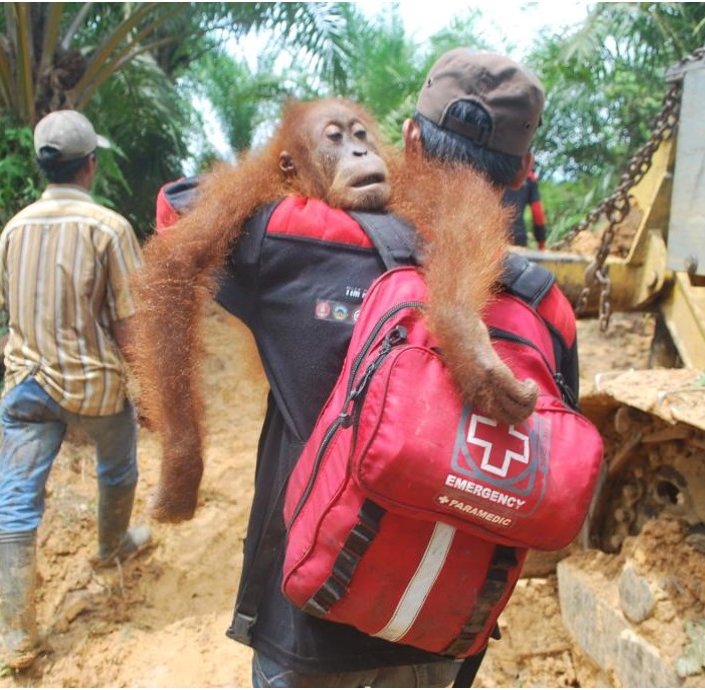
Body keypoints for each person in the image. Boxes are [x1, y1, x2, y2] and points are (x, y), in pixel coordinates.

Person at [156, 49, 578, 688]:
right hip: (446, 631)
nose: (356, 154)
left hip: (309, 626)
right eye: (338, 141)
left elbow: (175, 216)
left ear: (407, 139)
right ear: (525, 170)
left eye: (361, 138)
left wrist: (275, 180)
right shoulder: (547, 307)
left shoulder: (295, 238)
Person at [0, 109, 151, 670]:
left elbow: (6, 309)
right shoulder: (109, 228)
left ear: (44, 166)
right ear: (91, 167)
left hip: (27, 389)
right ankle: (112, 547)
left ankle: (16, 634)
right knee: (118, 462)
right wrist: (148, 393)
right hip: (93, 388)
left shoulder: (13, 229)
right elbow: (129, 323)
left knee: (15, 502)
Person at [502, 165, 548, 248]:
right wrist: (541, 242)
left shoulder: (495, 169)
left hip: (495, 235)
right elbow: (537, 211)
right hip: (518, 236)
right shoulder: (530, 178)